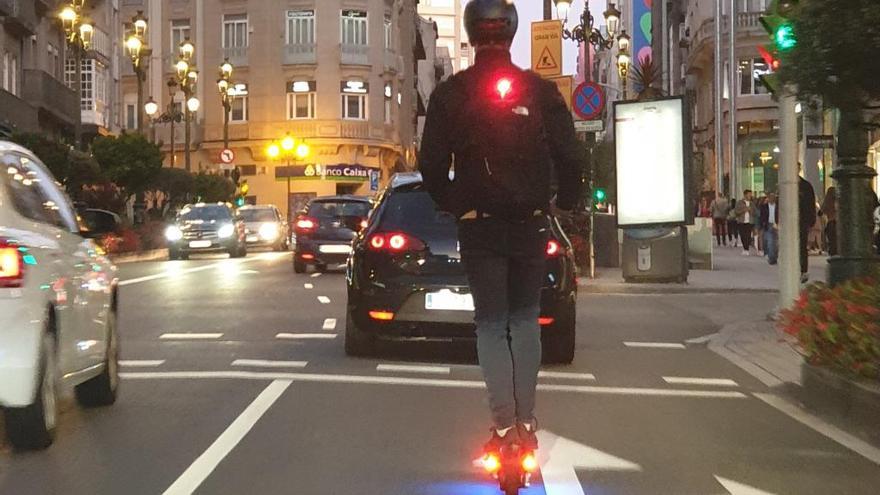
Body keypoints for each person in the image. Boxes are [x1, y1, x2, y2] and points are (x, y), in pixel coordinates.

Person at [420, 0, 582, 453]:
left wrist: (457, 204)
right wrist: (563, 203)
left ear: (471, 35)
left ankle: (505, 428)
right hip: (531, 224)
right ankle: (527, 423)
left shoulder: (451, 93)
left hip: (480, 228)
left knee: (490, 324)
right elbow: (572, 157)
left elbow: (430, 164)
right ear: (511, 32)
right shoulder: (541, 92)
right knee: (525, 320)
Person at [798, 173, 818, 283]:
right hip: (790, 220)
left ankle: (803, 270)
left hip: (803, 221)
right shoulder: (785, 185)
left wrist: (811, 220)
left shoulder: (806, 186)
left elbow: (811, 204)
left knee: (802, 246)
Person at [735, 190, 758, 255]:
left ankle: (746, 249)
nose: (750, 196)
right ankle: (745, 248)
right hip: (741, 221)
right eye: (749, 194)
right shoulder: (739, 203)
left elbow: (755, 213)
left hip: (749, 222)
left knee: (748, 235)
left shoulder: (752, 203)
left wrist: (751, 211)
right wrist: (744, 210)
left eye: (751, 194)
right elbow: (736, 211)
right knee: (742, 235)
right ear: (745, 195)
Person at [759, 192, 779, 265]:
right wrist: (762, 225)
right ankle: (771, 258)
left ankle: (775, 257)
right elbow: (761, 217)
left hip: (777, 225)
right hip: (768, 225)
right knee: (770, 242)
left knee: (776, 243)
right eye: (770, 197)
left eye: (773, 197)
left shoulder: (778, 207)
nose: (772, 198)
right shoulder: (764, 206)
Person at [819, 186, 837, 256]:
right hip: (837, 223)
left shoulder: (827, 202)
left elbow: (820, 213)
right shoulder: (837, 201)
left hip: (830, 222)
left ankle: (832, 254)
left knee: (831, 241)